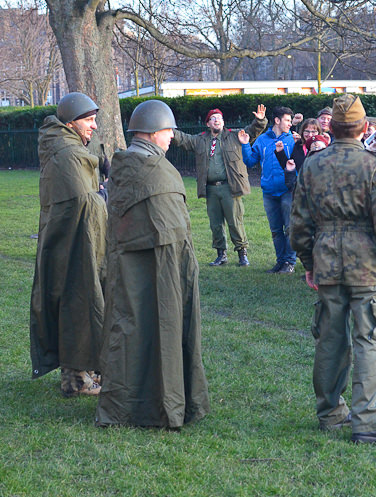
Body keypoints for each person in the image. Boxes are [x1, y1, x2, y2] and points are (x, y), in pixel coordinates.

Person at [290, 94, 376, 444]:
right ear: (363, 128)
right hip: (367, 264)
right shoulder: (373, 164)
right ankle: (369, 422)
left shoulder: (312, 164)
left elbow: (299, 221)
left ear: (334, 126)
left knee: (330, 339)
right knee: (368, 340)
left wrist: (309, 262)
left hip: (327, 258)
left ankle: (330, 412)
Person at [96, 99, 210, 428]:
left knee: (131, 326)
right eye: (168, 132)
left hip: (132, 264)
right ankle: (166, 404)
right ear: (153, 132)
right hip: (162, 268)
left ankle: (129, 402)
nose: (172, 137)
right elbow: (171, 230)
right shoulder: (155, 169)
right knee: (164, 325)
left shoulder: (123, 166)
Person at [30, 91, 107, 397]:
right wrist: (104, 196)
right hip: (73, 241)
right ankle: (77, 378)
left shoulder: (64, 146)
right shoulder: (67, 153)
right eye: (89, 120)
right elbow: (83, 203)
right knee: (78, 302)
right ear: (72, 123)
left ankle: (81, 374)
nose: (95, 126)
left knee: (77, 301)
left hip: (70, 238)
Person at [171, 106, 267, 267]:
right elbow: (183, 138)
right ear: (208, 124)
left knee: (235, 221)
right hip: (210, 189)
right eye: (213, 118)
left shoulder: (235, 136)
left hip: (230, 186)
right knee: (215, 224)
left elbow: (253, 130)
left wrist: (260, 120)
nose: (217, 120)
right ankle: (221, 254)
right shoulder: (200, 141)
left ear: (223, 122)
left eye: (219, 118)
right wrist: (168, 129)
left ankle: (242, 253)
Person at [242, 106, 297, 273]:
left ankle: (289, 262)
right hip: (269, 192)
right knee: (275, 230)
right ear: (277, 120)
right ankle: (280, 261)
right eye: (287, 120)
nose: (290, 124)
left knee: (289, 228)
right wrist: (245, 145)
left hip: (288, 191)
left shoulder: (293, 139)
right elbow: (250, 162)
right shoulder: (262, 140)